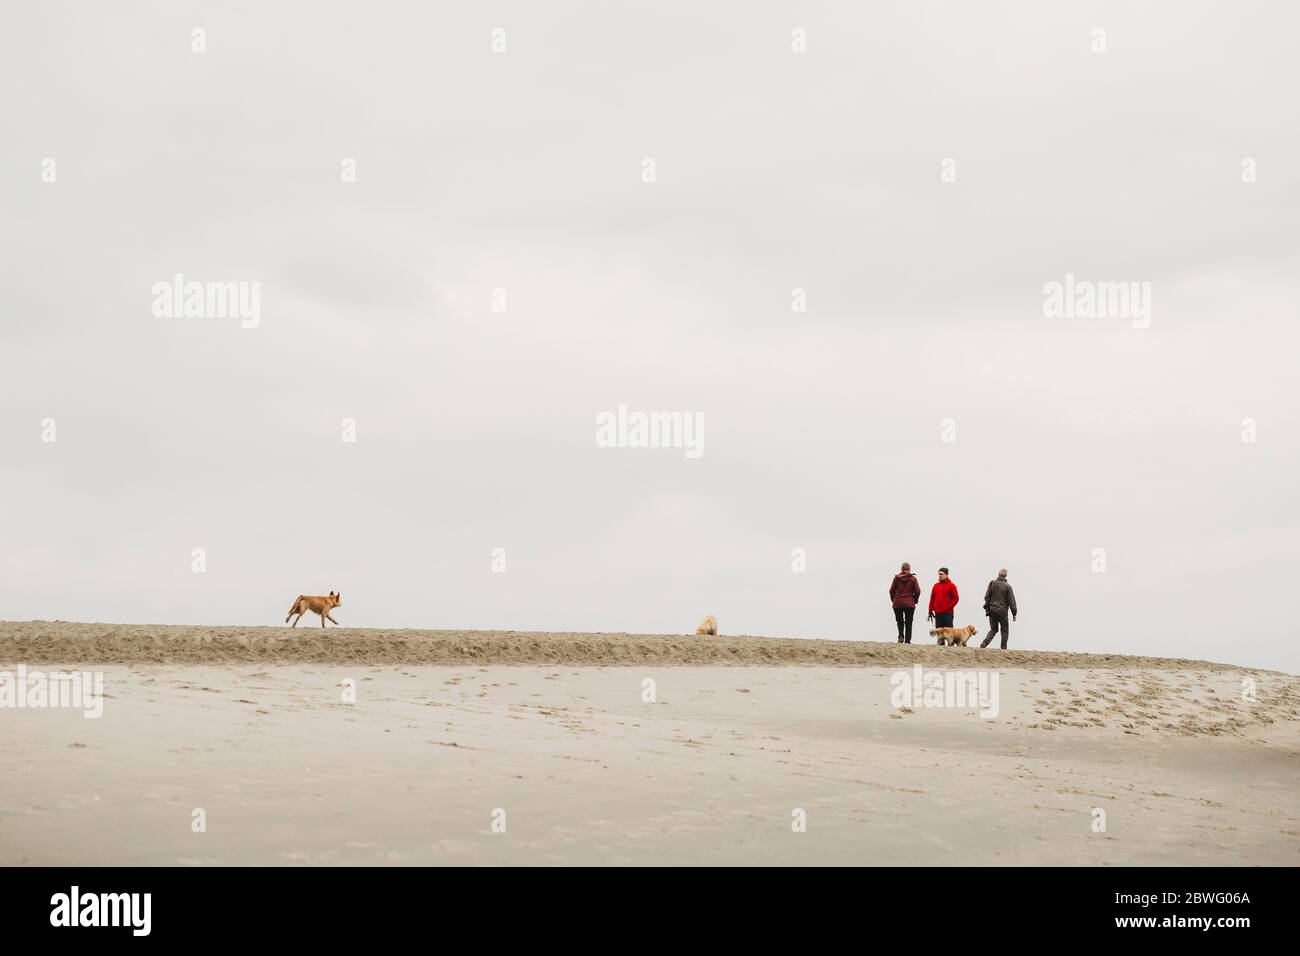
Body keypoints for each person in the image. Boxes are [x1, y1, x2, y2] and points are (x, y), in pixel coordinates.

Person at [980, 568, 1018, 649]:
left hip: (992, 610)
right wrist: (1014, 614)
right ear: (1006, 576)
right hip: (1002, 611)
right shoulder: (1008, 587)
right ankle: (1003, 648)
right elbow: (1012, 601)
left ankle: (985, 642)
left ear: (998, 574)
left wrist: (988, 607)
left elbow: (987, 596)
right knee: (1004, 630)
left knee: (993, 629)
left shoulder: (992, 583)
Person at [889, 562, 921, 643]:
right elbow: (918, 591)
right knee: (909, 622)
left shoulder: (896, 578)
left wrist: (893, 599)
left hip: (897, 603)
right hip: (909, 604)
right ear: (909, 569)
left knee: (899, 621)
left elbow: (891, 590)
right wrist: (915, 600)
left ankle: (901, 637)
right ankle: (907, 640)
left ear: (901, 569)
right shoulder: (913, 579)